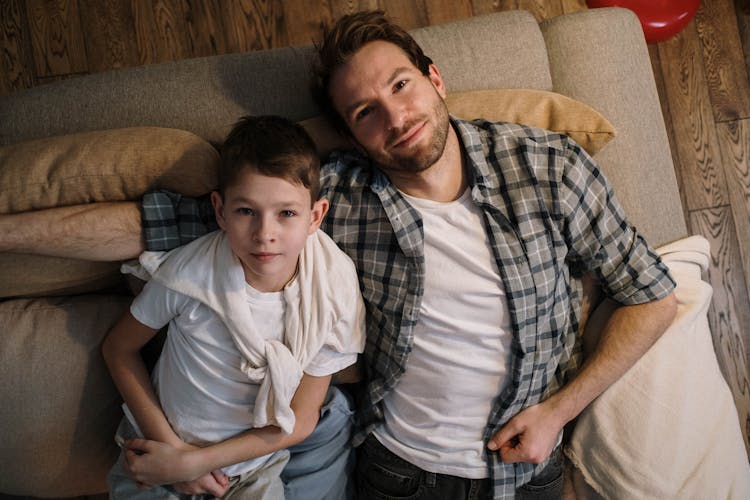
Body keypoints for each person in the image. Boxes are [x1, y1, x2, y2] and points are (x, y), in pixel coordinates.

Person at [0, 10, 678, 500]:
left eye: (401, 86)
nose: (394, 117)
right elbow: (156, 225)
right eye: (363, 113)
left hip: (529, 468)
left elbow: (652, 294)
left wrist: (559, 411)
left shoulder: (548, 167)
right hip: (399, 471)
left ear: (436, 79)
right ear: (348, 134)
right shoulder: (333, 201)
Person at [102, 115, 365, 499]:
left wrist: (197, 462)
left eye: (286, 213)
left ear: (315, 216)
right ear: (220, 210)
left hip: (252, 464)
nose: (265, 234)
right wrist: (175, 458)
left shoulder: (333, 286)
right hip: (158, 445)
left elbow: (303, 419)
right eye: (246, 211)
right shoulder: (188, 276)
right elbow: (118, 348)